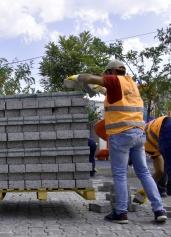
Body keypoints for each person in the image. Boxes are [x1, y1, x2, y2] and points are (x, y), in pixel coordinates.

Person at [65, 59, 167, 224]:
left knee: (120, 174)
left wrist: (77, 77)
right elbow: (119, 98)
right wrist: (104, 90)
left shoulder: (113, 79)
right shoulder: (131, 84)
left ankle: (121, 213)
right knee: (144, 172)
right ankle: (159, 209)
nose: (105, 76)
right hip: (138, 133)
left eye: (106, 74)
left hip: (121, 135)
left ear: (111, 72)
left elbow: (90, 78)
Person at [144, 115, 171, 197]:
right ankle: (163, 190)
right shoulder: (151, 146)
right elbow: (160, 171)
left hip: (165, 128)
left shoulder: (140, 144)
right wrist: (146, 191)